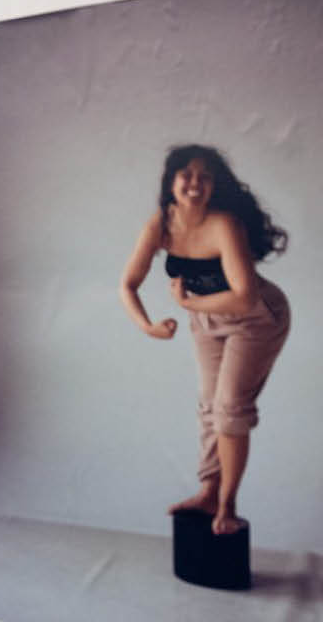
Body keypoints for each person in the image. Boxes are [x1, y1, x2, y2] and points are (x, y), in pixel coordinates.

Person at [118, 145, 290, 535]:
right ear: (171, 181)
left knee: (230, 409)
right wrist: (147, 325)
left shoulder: (224, 225)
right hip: (207, 319)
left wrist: (187, 303)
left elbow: (245, 297)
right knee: (210, 407)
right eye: (186, 174)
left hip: (257, 318)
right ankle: (209, 492)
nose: (195, 183)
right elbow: (128, 284)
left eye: (205, 176)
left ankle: (227, 505)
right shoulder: (161, 224)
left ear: (214, 185)